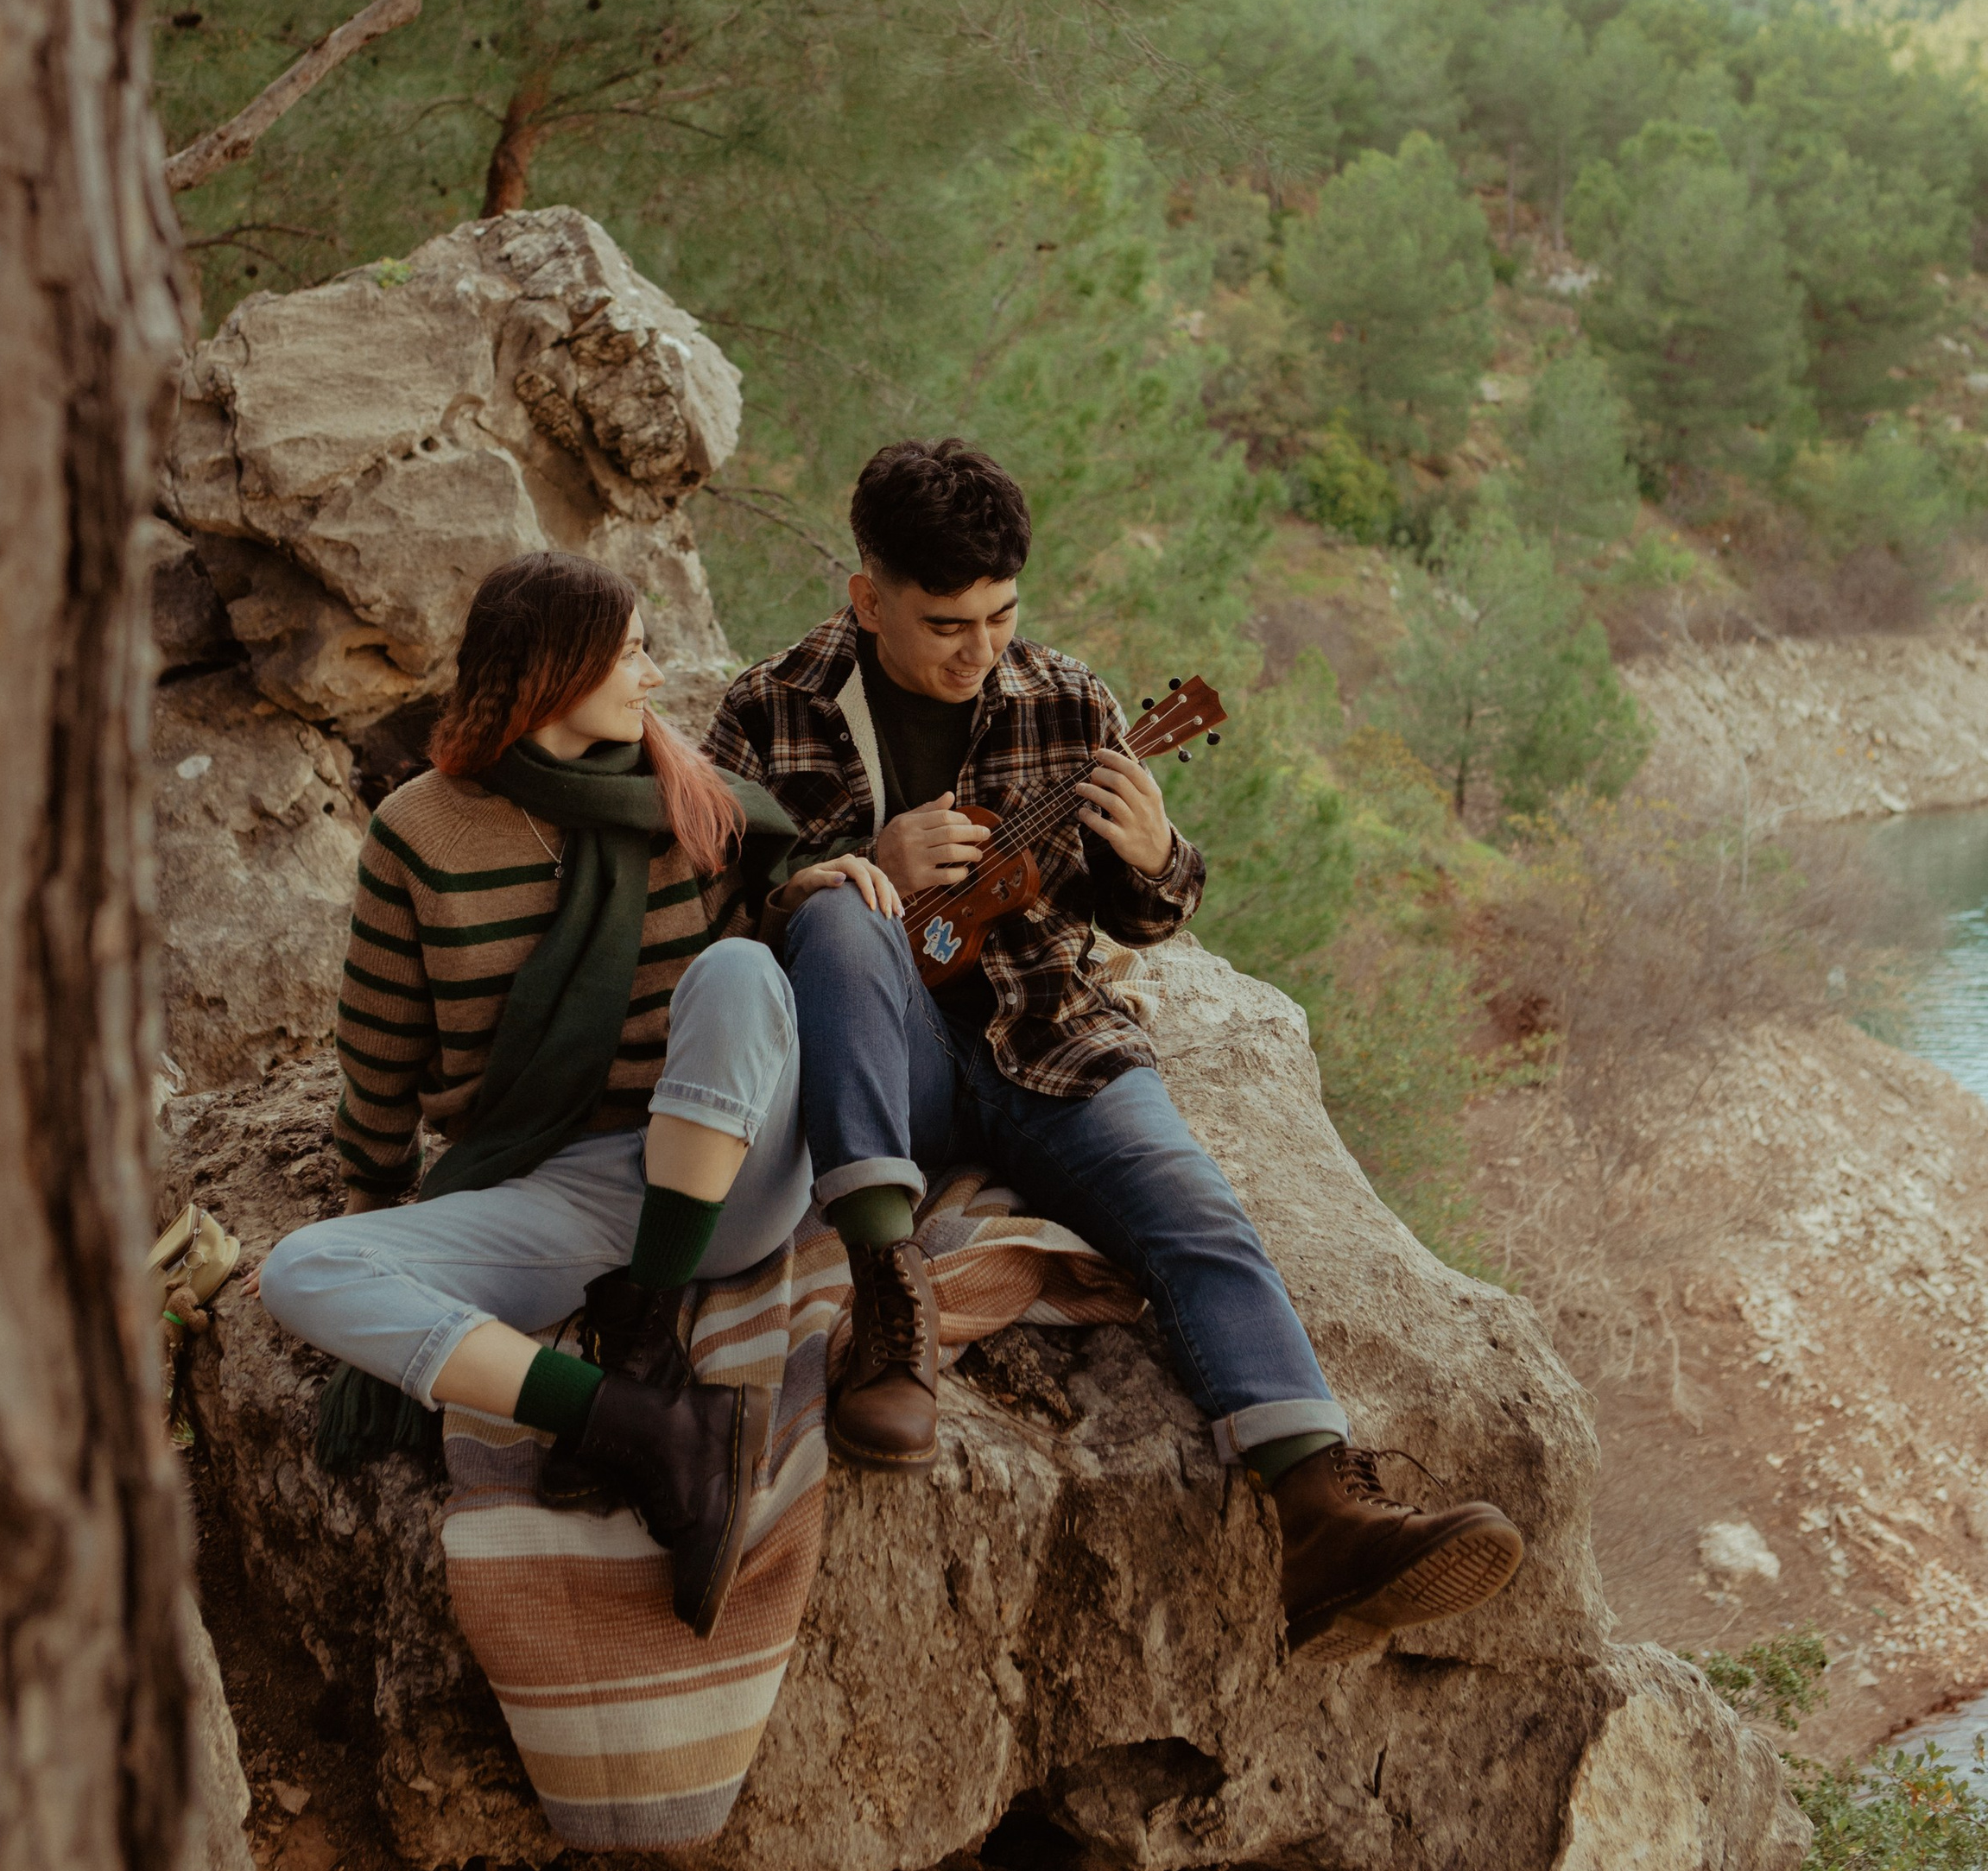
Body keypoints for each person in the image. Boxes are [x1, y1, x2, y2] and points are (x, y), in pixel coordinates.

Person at [702, 438, 1524, 1654]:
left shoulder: (1066, 701)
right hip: (881, 1070)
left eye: (1001, 615)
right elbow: (704, 919)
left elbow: (1146, 914)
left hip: (1047, 1039)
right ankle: (889, 1316)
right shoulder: (769, 709)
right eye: (945, 624)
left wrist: (1155, 859)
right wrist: (860, 869)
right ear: (868, 599)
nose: (980, 650)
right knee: (837, 917)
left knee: (1193, 1206)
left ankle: (1322, 1514)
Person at [257, 551, 896, 1636]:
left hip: (725, 1174)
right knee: (303, 1270)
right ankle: (638, 1423)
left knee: (737, 972)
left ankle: (644, 1325)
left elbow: (762, 959)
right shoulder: (419, 832)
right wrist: (375, 1198)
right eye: (630, 652)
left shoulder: (685, 794)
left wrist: (806, 888)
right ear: (554, 673)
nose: (651, 676)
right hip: (565, 1182)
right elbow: (381, 1043)